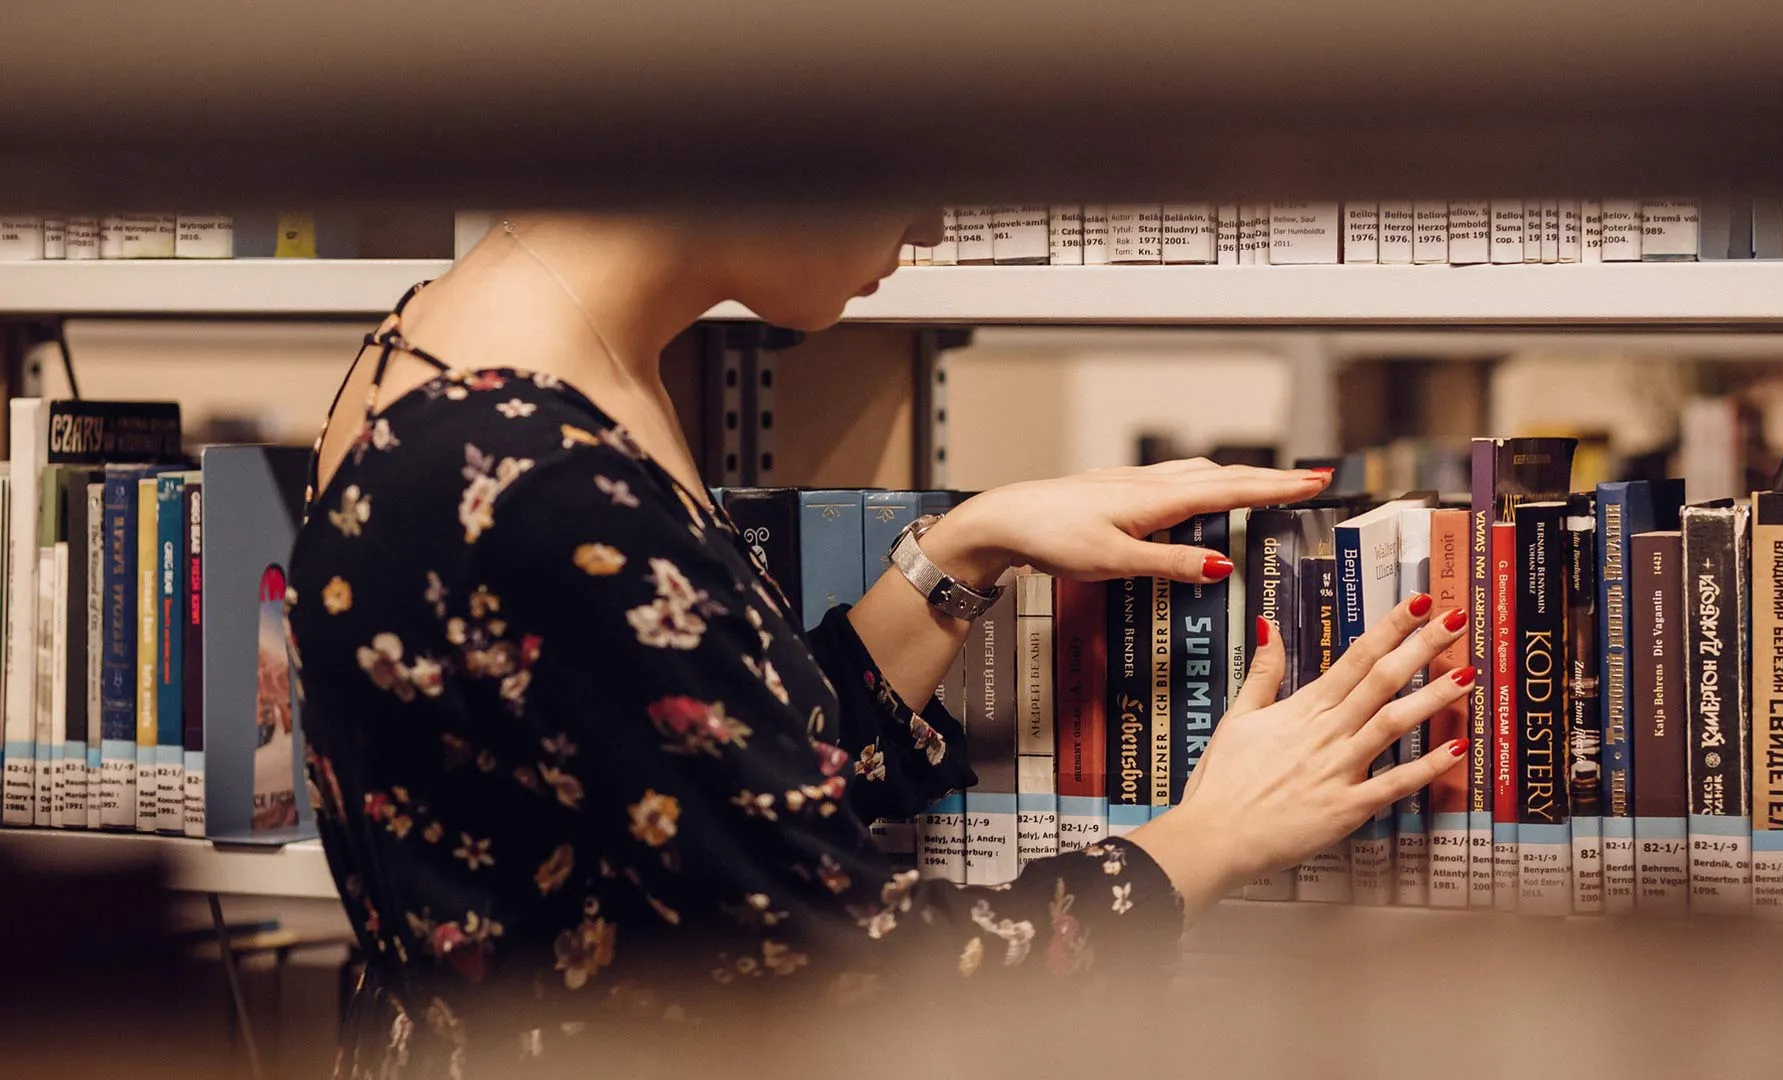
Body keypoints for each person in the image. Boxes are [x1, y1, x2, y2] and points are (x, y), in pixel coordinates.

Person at [288, 208, 1473, 1078]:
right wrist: (1208, 840)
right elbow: (848, 975)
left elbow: (684, 806)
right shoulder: (543, 483)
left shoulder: (457, 344)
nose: (935, 220)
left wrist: (961, 551)